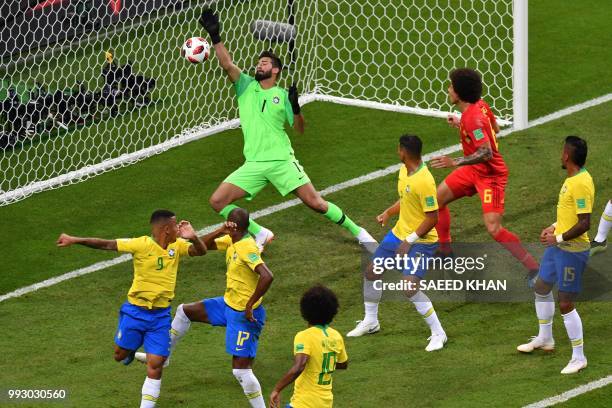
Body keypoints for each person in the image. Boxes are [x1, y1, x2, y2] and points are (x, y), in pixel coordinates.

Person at [198, 8, 376, 251]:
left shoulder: (282, 95)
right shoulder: (246, 86)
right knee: (217, 201)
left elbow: (300, 128)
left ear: (275, 70)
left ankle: (360, 233)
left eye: (265, 63)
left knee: (317, 204)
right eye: (259, 62)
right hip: (255, 164)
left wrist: (295, 106)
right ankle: (260, 233)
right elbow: (227, 64)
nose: (259, 65)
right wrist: (215, 37)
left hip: (282, 160)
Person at [56, 210, 206, 407]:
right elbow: (106, 244)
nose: (179, 227)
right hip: (135, 313)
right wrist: (74, 239)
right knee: (119, 355)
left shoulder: (177, 246)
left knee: (156, 364)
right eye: (176, 224)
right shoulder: (141, 244)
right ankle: (130, 351)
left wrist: (193, 237)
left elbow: (201, 251)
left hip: (160, 316)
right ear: (166, 229)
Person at [139, 207, 273, 408]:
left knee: (241, 371)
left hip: (244, 315)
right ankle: (164, 357)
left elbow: (267, 276)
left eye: (228, 222)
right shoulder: (232, 240)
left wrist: (249, 304)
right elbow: (203, 247)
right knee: (184, 311)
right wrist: (219, 231)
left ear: (234, 226)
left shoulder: (247, 247)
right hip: (227, 305)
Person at [430, 68, 539, 283]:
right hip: (473, 170)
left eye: (451, 86)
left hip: (491, 177)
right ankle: (445, 252)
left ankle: (535, 268)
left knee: (493, 229)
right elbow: (495, 129)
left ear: (459, 92)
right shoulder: (479, 107)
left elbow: (487, 152)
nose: (448, 89)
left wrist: (455, 161)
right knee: (436, 200)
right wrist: (462, 124)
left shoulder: (473, 118)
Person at [347, 135, 447, 351]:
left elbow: (433, 217)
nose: (397, 152)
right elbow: (406, 199)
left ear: (404, 151)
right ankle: (371, 322)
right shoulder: (404, 171)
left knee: (409, 287)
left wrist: (409, 241)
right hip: (399, 233)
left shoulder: (425, 181)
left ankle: (439, 333)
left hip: (422, 241)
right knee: (372, 271)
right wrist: (389, 212)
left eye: (398, 149)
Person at [517, 136, 594, 374]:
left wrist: (557, 238)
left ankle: (579, 357)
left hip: (573, 250)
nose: (560, 155)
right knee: (541, 286)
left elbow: (584, 223)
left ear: (567, 156)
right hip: (558, 246)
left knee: (566, 302)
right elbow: (569, 214)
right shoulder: (572, 179)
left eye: (563, 152)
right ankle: (545, 338)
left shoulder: (580, 183)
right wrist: (554, 226)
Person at [269, 285, 348, 408]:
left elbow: (299, 366)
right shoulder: (336, 336)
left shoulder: (304, 336)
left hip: (304, 403)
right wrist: (320, 363)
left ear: (305, 310)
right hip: (325, 403)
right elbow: (343, 364)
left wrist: (277, 389)